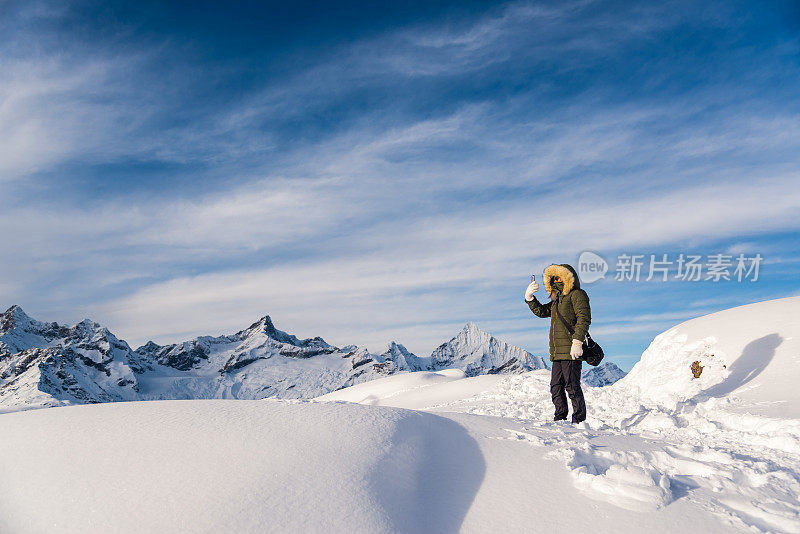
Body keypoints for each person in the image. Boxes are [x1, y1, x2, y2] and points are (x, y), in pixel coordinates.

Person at [524, 263, 591, 423]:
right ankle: (560, 418)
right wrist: (529, 298)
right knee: (556, 386)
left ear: (569, 278)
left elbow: (584, 318)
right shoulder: (556, 301)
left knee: (572, 386)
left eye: (559, 277)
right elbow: (541, 312)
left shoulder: (577, 295)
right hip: (557, 352)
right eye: (553, 278)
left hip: (571, 349)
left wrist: (577, 341)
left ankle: (579, 421)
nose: (556, 281)